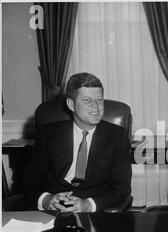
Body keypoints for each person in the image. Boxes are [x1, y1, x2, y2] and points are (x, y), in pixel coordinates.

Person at [23, 72, 132, 213]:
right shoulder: (48, 134)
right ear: (71, 104)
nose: (96, 107)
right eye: (87, 100)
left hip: (94, 209)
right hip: (54, 208)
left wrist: (89, 204)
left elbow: (122, 186)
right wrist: (45, 200)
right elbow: (30, 180)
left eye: (99, 100)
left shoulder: (117, 136)